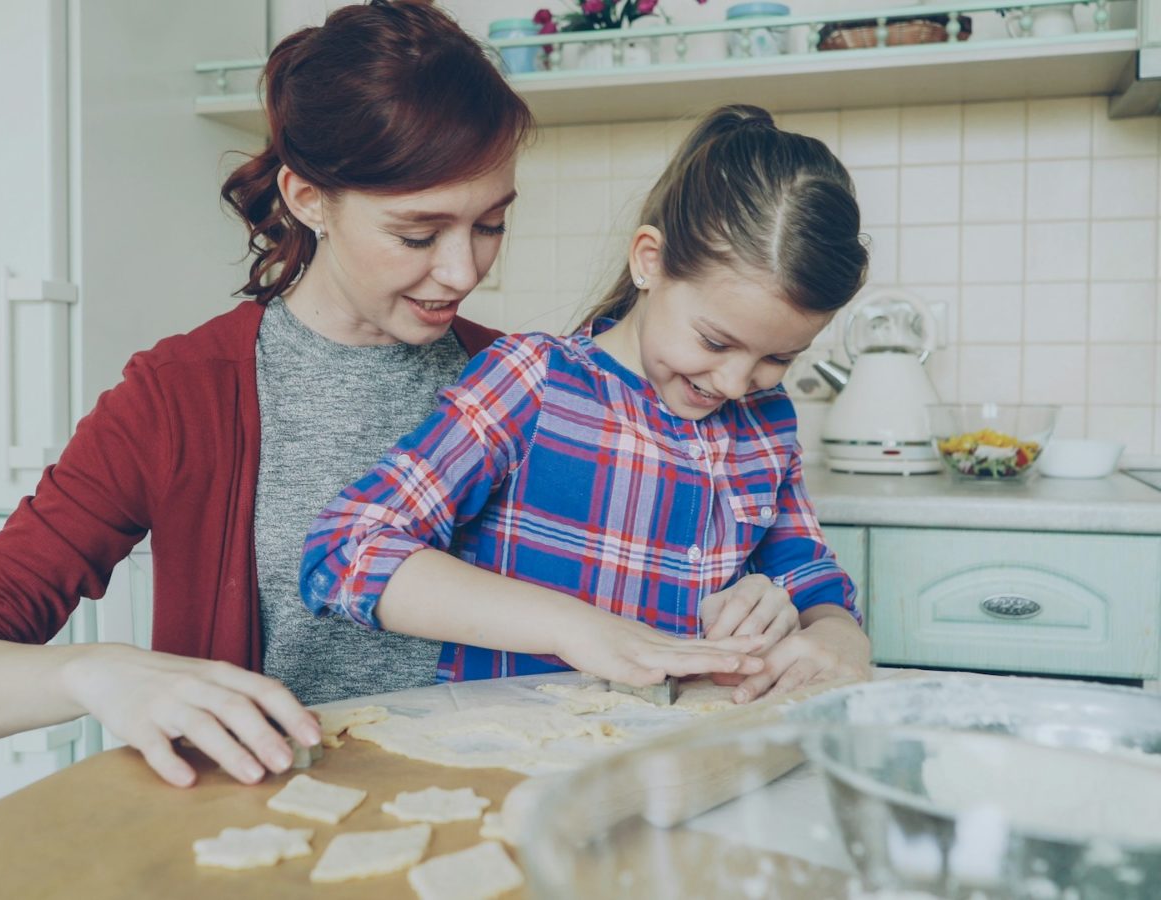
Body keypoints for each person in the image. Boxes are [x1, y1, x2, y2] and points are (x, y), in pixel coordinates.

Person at [0, 0, 547, 790]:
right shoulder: (176, 399)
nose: (463, 271)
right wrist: (93, 672)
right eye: (418, 234)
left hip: (507, 824)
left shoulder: (530, 385)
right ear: (309, 199)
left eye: (491, 226)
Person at [300, 104, 873, 704]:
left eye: (778, 359)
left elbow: (806, 574)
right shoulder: (533, 383)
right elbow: (346, 549)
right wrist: (575, 628)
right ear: (649, 261)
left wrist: (834, 632)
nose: (735, 383)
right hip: (515, 757)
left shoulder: (766, 419)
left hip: (682, 757)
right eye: (715, 341)